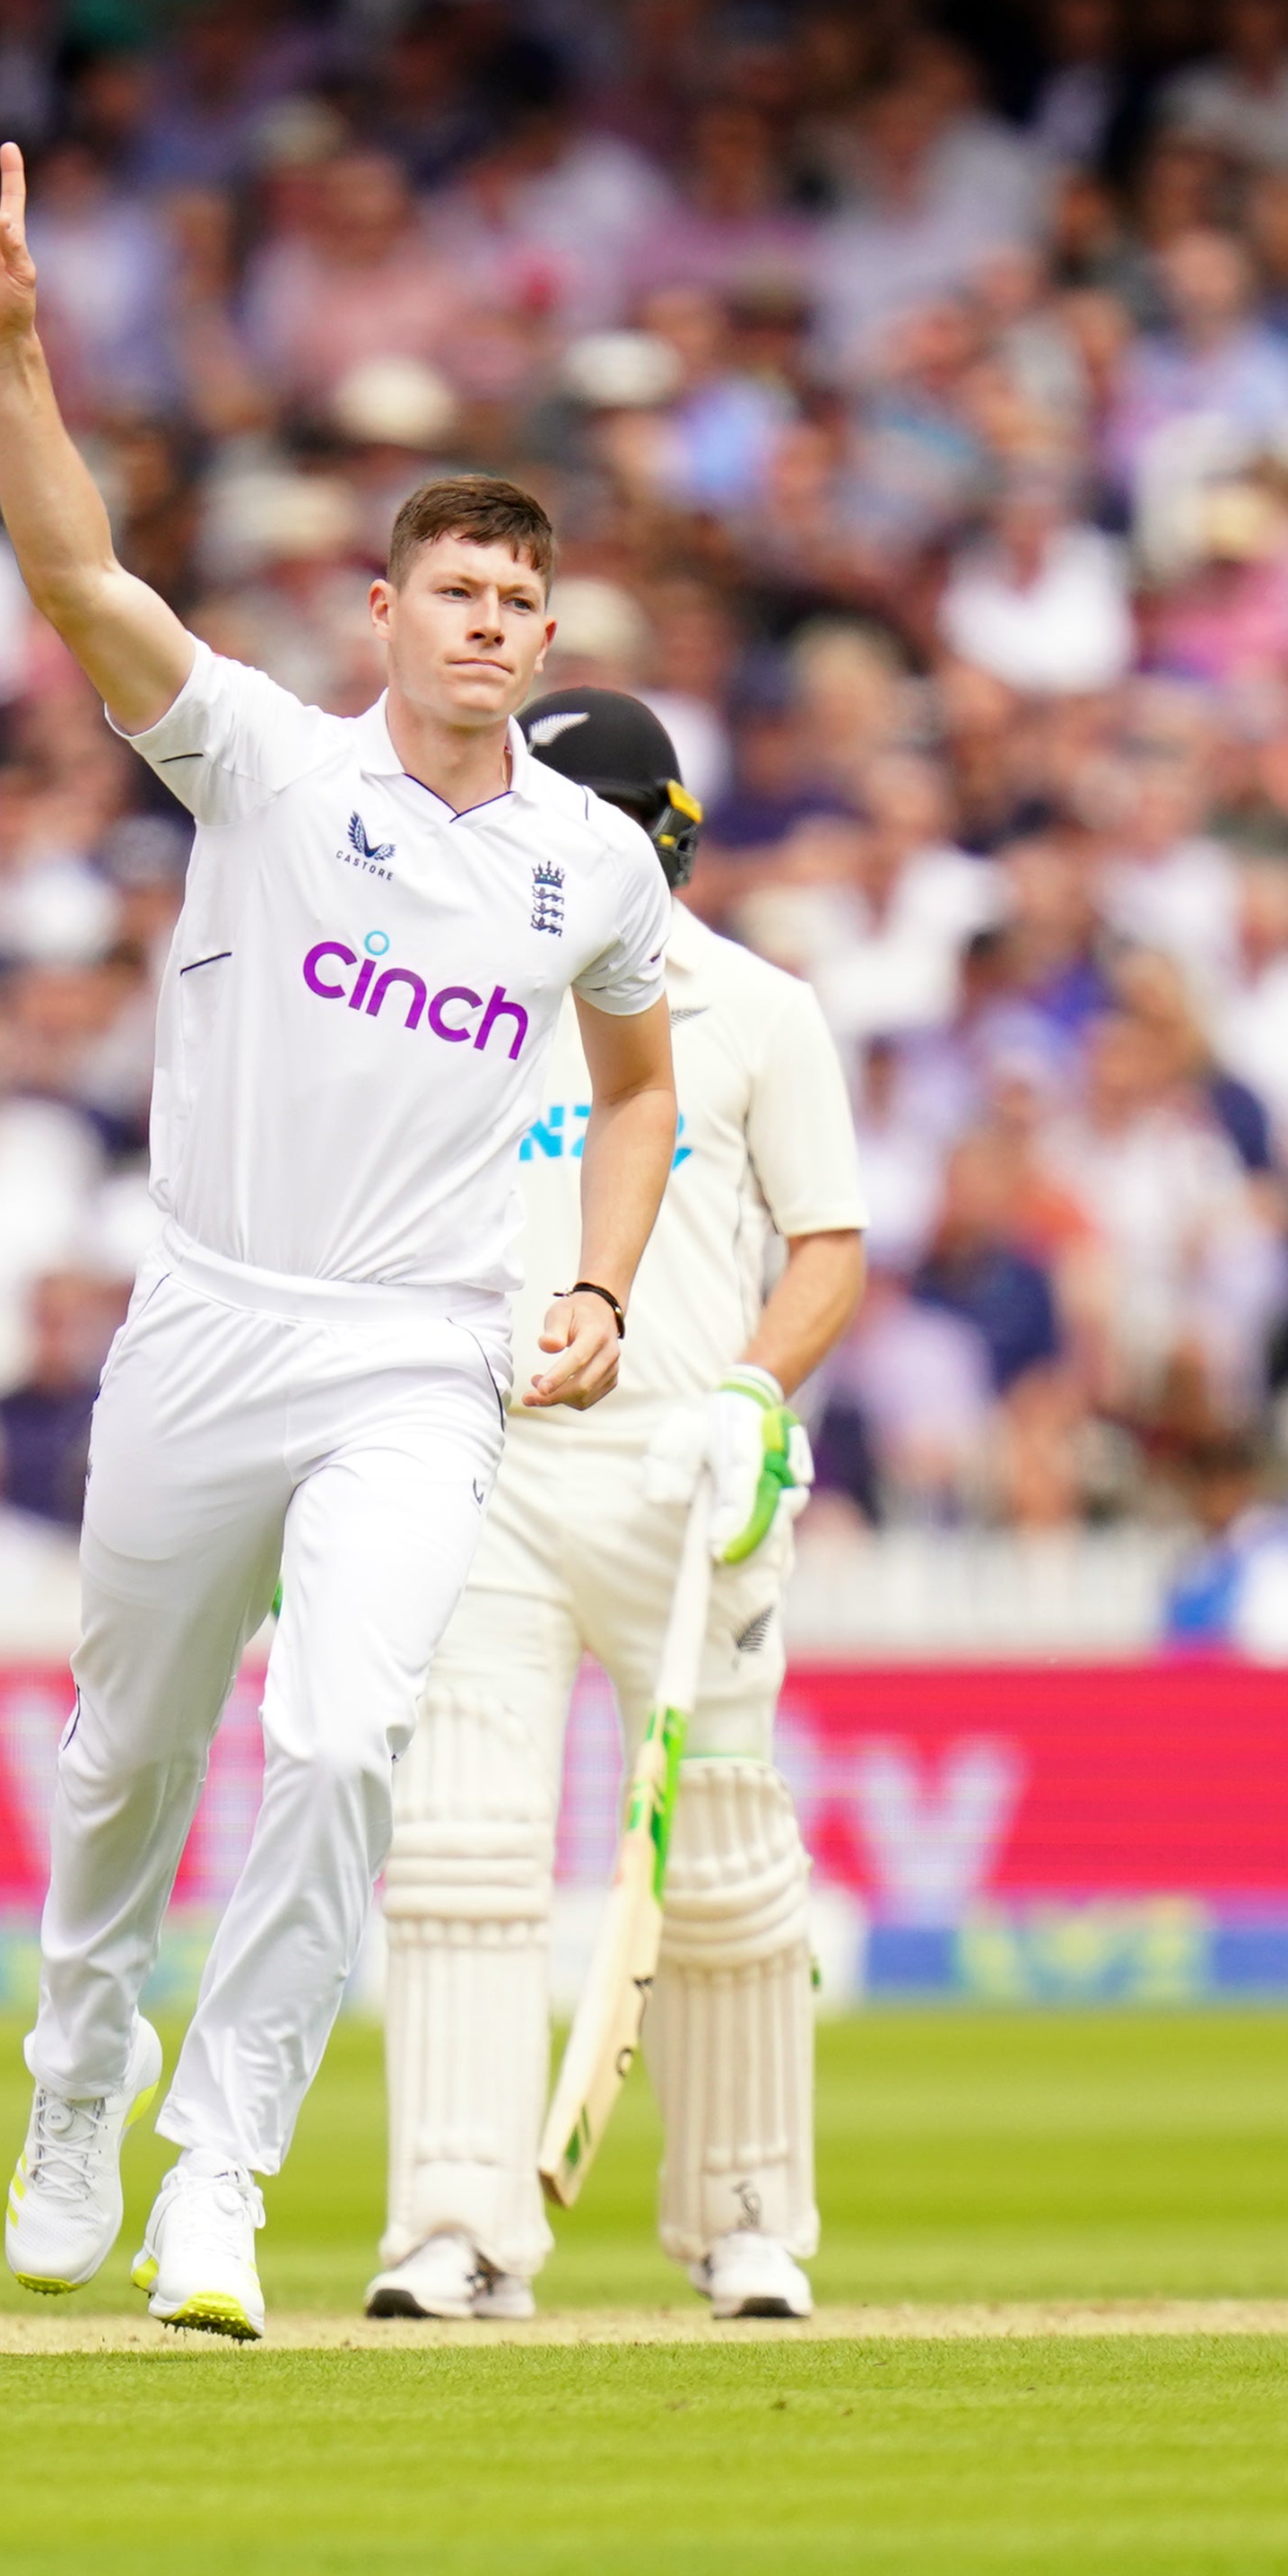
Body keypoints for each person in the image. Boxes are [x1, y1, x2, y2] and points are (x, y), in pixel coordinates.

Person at [0, 149, 683, 2342]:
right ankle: (78, 2073)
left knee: (346, 1741)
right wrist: (15, 358)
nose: (483, 627)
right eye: (449, 593)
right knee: (124, 1762)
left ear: (547, 637)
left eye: (515, 605)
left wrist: (601, 1284)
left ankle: (222, 2174)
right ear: (386, 615)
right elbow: (80, 580)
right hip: (213, 1315)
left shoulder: (596, 869)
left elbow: (634, 1091)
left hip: (415, 1355)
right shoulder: (265, 762)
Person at [365, 687, 866, 2328]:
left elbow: (828, 1249)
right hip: (491, 1476)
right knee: (461, 1851)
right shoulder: (449, 1001)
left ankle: (743, 2223)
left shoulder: (760, 1010)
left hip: (685, 1488)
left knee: (718, 1858)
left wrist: (750, 1394)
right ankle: (458, 2226)